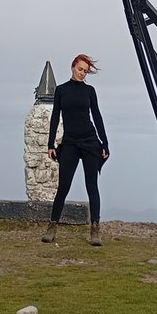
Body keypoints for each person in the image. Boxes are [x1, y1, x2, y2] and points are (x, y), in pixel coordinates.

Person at [41, 53, 109, 247]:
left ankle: (95, 230)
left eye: (85, 71)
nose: (82, 74)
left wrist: (105, 143)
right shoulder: (62, 90)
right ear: (73, 67)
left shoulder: (90, 91)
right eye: (80, 69)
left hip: (89, 141)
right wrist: (50, 144)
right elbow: (55, 117)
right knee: (63, 188)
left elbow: (97, 117)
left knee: (92, 187)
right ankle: (52, 228)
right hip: (69, 142)